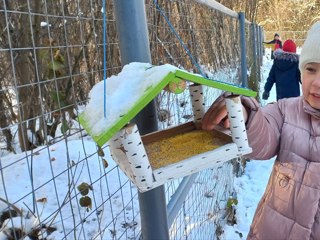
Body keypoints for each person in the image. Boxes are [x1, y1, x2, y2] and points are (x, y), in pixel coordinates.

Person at [202, 21, 320, 239]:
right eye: (311, 69)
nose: (317, 83)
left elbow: (272, 79)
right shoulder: (285, 111)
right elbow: (264, 134)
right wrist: (243, 117)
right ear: (301, 69)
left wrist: (268, 88)